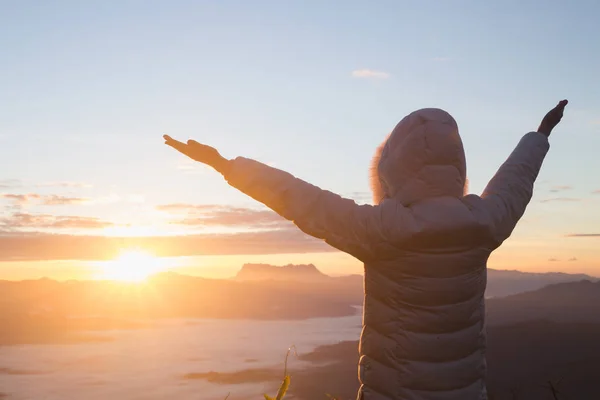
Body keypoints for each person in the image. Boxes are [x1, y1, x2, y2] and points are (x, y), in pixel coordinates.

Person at [164, 100, 568, 400]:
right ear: (458, 167)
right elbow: (515, 181)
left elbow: (300, 199)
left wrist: (226, 166)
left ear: (391, 171)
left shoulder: (381, 231)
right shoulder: (484, 222)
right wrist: (540, 136)